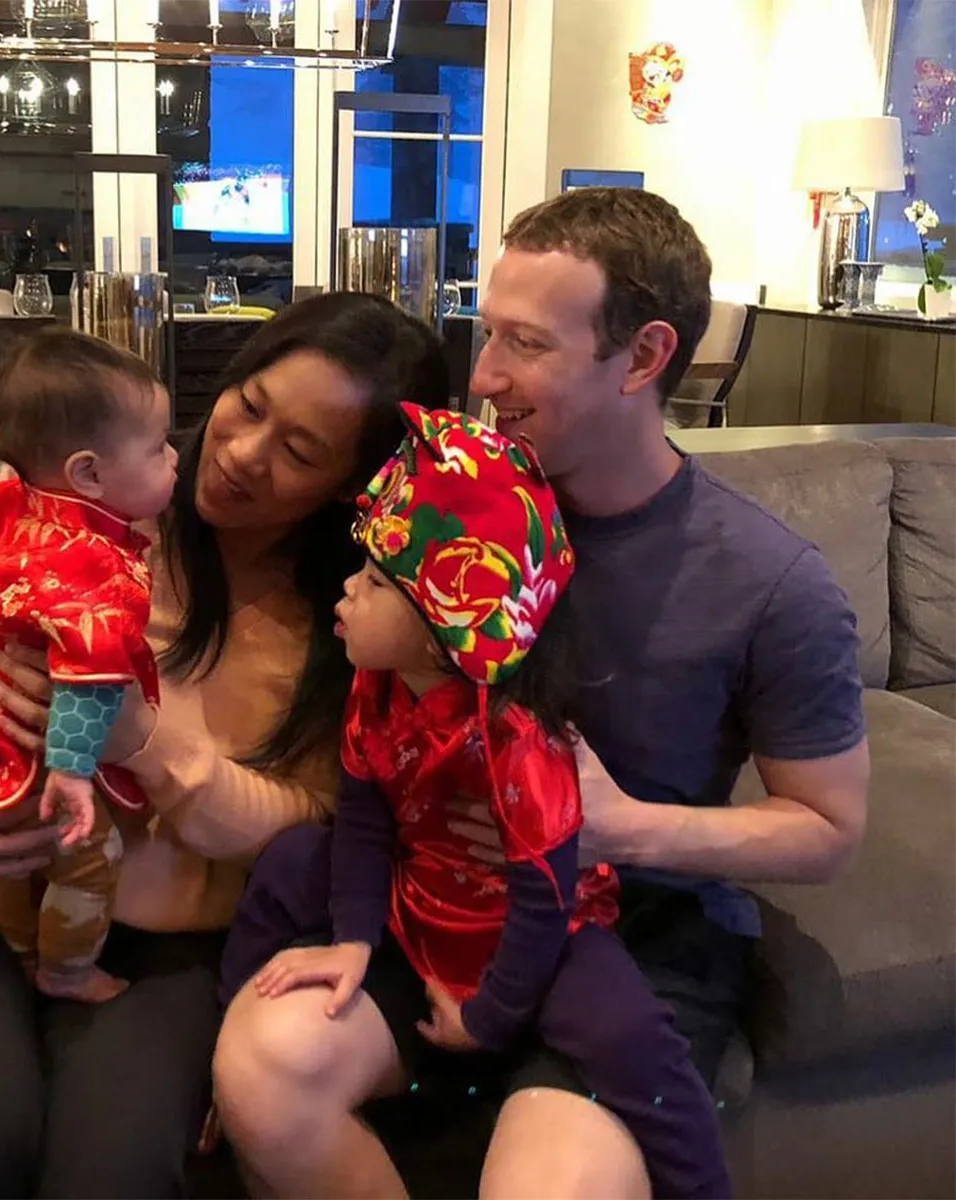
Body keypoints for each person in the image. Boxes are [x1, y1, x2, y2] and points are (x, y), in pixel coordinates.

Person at [212, 187, 870, 1198]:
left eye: (526, 345)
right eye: (489, 334)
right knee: (265, 1070)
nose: (483, 376)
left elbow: (828, 831)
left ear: (643, 358)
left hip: (628, 938)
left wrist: (621, 828)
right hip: (428, 902)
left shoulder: (769, 581)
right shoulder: (442, 503)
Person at [0, 292, 452, 1199]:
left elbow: (314, 826)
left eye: (299, 451)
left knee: (110, 1171)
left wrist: (146, 744)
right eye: (249, 405)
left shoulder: (358, 620)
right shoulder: (91, 485)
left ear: (350, 486)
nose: (241, 453)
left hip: (168, 948)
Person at [218, 403, 731, 1199]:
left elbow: (544, 898)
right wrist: (353, 939)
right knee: (290, 863)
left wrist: (489, 1016)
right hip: (420, 899)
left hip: (538, 937)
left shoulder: (517, 743)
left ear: (441, 631)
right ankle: (219, 1072)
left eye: (375, 583)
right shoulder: (375, 688)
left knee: (632, 1040)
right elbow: (363, 819)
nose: (346, 591)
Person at [0, 328, 175, 1004]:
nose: (176, 458)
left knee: (10, 859)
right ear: (89, 474)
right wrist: (74, 771)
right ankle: (67, 971)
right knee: (89, 860)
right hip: (39, 762)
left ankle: (22, 951)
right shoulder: (92, 564)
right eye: (159, 447)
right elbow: (90, 676)